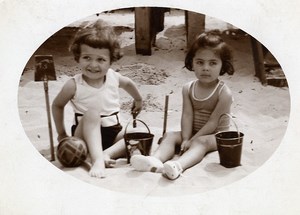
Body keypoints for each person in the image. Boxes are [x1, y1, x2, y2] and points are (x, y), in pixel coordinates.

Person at [131, 30, 235, 180]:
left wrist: (192, 140)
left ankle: (178, 166)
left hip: (216, 137)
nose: (205, 68)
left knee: (201, 142)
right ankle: (155, 160)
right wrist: (186, 138)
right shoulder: (188, 88)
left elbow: (213, 123)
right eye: (200, 62)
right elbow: (187, 115)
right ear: (192, 62)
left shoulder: (224, 92)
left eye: (213, 63)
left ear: (222, 65)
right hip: (193, 132)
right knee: (171, 135)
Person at [52, 19, 143, 178]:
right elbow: (57, 105)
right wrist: (61, 133)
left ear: (111, 61)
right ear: (78, 57)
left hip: (113, 133)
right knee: (92, 112)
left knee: (137, 132)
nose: (93, 65)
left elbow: (128, 83)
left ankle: (105, 155)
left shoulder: (114, 77)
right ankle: (97, 160)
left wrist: (138, 100)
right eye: (87, 58)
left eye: (101, 59)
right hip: (84, 136)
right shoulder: (74, 84)